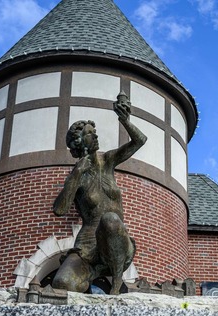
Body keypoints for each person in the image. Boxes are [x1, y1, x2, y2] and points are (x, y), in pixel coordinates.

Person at [52, 92, 147, 295]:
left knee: (110, 220)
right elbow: (59, 209)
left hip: (115, 243)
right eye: (89, 133)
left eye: (94, 132)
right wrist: (76, 174)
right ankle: (88, 285)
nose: (95, 135)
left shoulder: (108, 161)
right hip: (87, 246)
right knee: (62, 283)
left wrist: (124, 119)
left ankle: (116, 282)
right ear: (79, 143)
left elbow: (140, 140)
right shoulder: (77, 175)